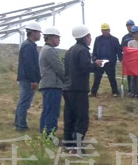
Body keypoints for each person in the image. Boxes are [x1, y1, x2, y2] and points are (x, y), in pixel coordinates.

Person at [62, 25, 104, 154]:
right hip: (79, 89)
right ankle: (77, 147)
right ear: (84, 37)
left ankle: (68, 144)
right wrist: (96, 65)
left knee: (69, 117)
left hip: (68, 88)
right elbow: (85, 68)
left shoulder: (70, 50)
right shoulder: (83, 51)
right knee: (82, 119)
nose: (90, 38)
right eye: (89, 36)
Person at [14, 21, 42, 131]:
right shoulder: (28, 46)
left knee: (23, 102)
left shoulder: (29, 45)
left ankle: (18, 123)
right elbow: (29, 65)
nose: (40, 35)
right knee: (24, 103)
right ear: (32, 33)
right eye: (38, 32)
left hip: (26, 79)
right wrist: (33, 80)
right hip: (27, 79)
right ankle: (21, 125)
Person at [38, 26, 66, 134]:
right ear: (50, 38)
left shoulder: (45, 49)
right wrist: (67, 79)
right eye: (57, 38)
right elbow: (59, 68)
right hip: (52, 85)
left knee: (47, 111)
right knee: (52, 112)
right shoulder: (49, 50)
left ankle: (44, 134)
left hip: (48, 85)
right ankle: (49, 134)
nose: (59, 40)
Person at [91, 23, 121, 97]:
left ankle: (115, 92)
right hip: (99, 62)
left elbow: (118, 51)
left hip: (110, 62)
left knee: (112, 78)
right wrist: (94, 59)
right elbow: (94, 50)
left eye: (106, 30)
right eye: (103, 30)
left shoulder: (115, 40)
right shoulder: (97, 39)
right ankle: (93, 92)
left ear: (109, 30)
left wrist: (121, 59)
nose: (104, 32)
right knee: (97, 78)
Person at [125, 25, 138, 97]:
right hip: (133, 63)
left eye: (136, 33)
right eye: (133, 33)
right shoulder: (130, 42)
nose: (135, 35)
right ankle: (132, 92)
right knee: (132, 78)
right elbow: (130, 52)